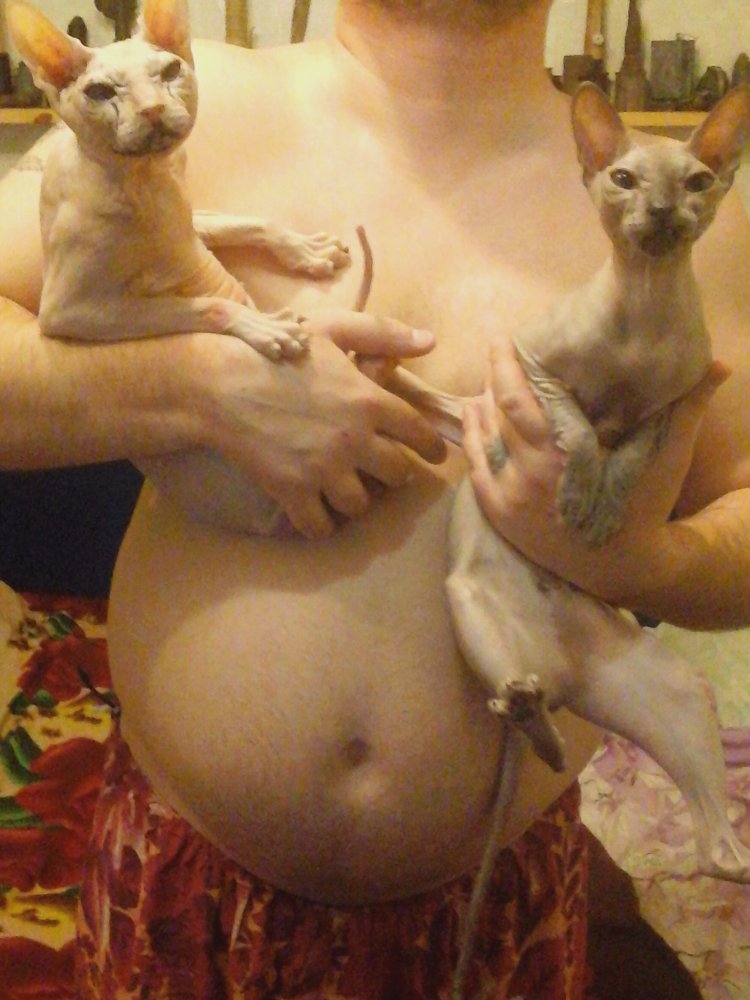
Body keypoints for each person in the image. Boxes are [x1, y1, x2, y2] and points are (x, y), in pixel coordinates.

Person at [0, 0, 748, 996]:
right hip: (185, 891)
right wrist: (196, 388)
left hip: (500, 911)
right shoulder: (179, 111)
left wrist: (640, 562)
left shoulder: (678, 205)